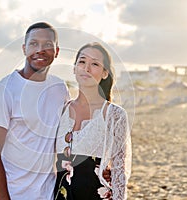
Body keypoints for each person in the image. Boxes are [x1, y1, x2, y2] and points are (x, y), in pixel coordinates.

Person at [0, 22, 69, 199]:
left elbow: (67, 140)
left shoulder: (60, 88)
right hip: (13, 194)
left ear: (57, 51)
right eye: (34, 44)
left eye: (47, 45)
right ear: (24, 49)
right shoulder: (3, 90)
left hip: (48, 194)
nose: (40, 50)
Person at [54, 42, 132, 200]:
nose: (86, 68)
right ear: (74, 68)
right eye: (82, 62)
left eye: (94, 64)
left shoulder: (115, 115)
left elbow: (119, 171)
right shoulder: (60, 111)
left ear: (104, 73)